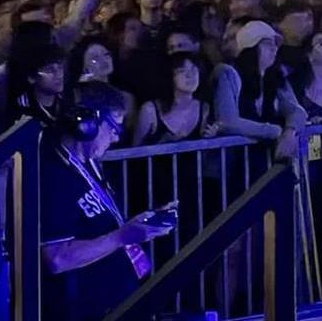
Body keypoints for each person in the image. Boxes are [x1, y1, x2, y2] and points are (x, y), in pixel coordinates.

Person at [39, 82, 175, 321]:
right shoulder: (52, 173)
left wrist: (140, 225)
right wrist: (121, 237)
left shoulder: (89, 162)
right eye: (114, 127)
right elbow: (57, 258)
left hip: (115, 298)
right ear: (87, 123)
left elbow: (101, 223)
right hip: (82, 308)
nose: (115, 138)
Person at [213, 20, 305, 158]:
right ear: (251, 47)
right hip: (232, 164)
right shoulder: (227, 73)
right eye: (268, 44)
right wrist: (274, 131)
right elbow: (228, 121)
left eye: (276, 44)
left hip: (263, 161)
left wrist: (289, 132)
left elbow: (296, 110)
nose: (274, 48)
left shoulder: (275, 77)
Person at [132, 52, 218, 145]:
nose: (190, 76)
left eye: (194, 69)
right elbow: (135, 149)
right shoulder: (150, 110)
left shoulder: (204, 108)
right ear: (170, 76)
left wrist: (212, 136)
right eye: (182, 71)